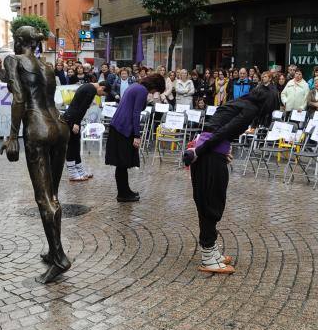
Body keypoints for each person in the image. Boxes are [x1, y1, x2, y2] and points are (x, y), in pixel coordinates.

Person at [183, 85, 281, 274]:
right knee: (211, 205)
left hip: (210, 155)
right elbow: (222, 133)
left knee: (209, 203)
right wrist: (198, 152)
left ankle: (210, 251)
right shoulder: (250, 109)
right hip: (208, 157)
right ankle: (208, 257)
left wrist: (220, 151)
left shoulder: (240, 103)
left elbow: (215, 131)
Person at [0, 26, 71, 284]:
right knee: (53, 195)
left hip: (38, 127)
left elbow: (19, 97)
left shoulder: (14, 60)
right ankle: (53, 250)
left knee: (44, 198)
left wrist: (11, 135)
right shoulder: (47, 65)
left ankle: (60, 258)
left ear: (19, 41)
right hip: (59, 126)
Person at [106, 74, 166, 202]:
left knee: (121, 163)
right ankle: (123, 194)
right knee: (122, 163)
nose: (155, 93)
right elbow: (136, 113)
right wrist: (137, 135)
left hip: (118, 126)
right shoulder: (142, 90)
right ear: (154, 86)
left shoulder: (135, 86)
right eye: (156, 90)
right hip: (124, 128)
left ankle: (125, 191)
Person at [62, 81, 110, 181]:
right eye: (102, 94)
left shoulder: (88, 86)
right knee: (72, 145)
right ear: (102, 88)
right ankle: (72, 173)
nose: (100, 96)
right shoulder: (92, 89)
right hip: (72, 118)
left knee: (76, 144)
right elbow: (82, 108)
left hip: (72, 117)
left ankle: (80, 170)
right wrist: (76, 123)